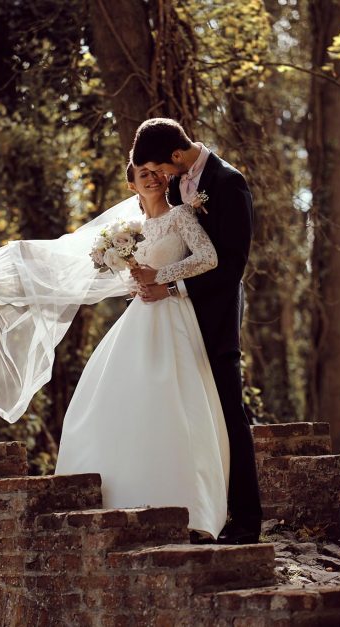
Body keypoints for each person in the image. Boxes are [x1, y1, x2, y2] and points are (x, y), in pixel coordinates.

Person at [54, 162, 229, 540]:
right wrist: (136, 281)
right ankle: (124, 496)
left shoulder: (182, 215)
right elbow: (135, 278)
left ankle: (189, 506)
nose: (150, 177)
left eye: (155, 171)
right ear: (130, 184)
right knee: (114, 400)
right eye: (141, 173)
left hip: (173, 315)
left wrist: (162, 280)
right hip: (139, 316)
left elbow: (208, 258)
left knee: (173, 402)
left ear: (166, 177)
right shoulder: (128, 232)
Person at [129, 118, 263, 544]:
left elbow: (232, 264)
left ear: (173, 156)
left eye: (158, 168)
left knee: (229, 416)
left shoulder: (228, 182)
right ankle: (201, 505)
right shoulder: (182, 186)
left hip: (215, 320)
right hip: (174, 324)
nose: (158, 178)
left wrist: (170, 283)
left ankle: (246, 520)